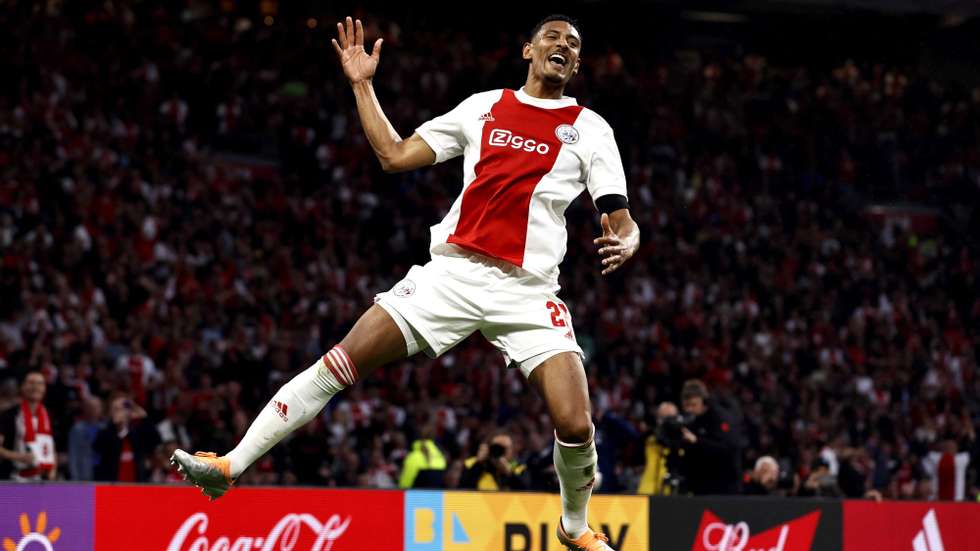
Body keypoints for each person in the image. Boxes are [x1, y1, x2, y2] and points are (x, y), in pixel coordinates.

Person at [171, 13, 637, 551]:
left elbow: (621, 219)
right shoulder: (482, 107)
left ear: (576, 64)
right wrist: (363, 85)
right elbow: (394, 154)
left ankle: (574, 527)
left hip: (527, 291)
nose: (562, 45)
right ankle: (228, 465)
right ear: (528, 49)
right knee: (341, 362)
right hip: (453, 274)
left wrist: (628, 241)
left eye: (573, 44)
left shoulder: (591, 129)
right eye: (552, 37)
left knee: (576, 425)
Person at [677, 379, 741, 495]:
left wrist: (697, 441)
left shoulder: (720, 418)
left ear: (704, 402)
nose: (689, 409)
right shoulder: (688, 420)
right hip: (697, 487)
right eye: (686, 405)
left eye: (694, 405)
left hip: (723, 487)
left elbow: (727, 449)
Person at [0, 370, 57, 481]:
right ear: (22, 387)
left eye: (40, 383)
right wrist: (18, 456)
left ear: (44, 389)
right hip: (14, 478)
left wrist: (53, 471)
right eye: (31, 382)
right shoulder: (9, 415)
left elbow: (51, 447)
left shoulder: (47, 415)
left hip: (41, 480)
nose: (35, 387)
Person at [94, 395, 160, 481]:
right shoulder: (105, 433)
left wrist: (144, 418)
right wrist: (115, 427)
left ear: (128, 412)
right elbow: (100, 448)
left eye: (120, 409)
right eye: (114, 409)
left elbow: (155, 441)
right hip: (112, 487)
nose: (117, 412)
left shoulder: (137, 433)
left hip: (135, 486)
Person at [461, 432, 529, 491]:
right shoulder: (473, 463)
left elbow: (526, 489)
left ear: (512, 449)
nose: (500, 451)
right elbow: (462, 487)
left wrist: (509, 473)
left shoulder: (518, 466)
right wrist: (479, 464)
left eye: (504, 448)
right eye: (496, 447)